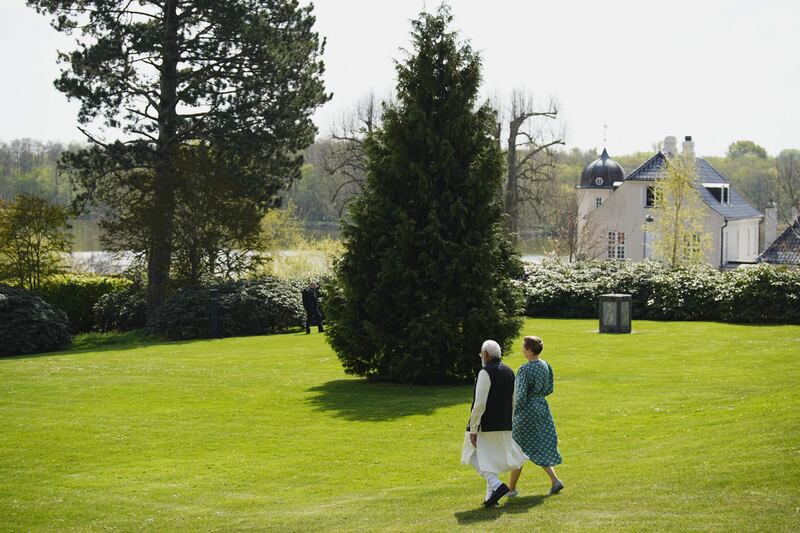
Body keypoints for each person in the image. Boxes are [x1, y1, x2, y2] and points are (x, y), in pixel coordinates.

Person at [461, 340, 528, 507]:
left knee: (471, 455)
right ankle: (491, 497)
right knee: (489, 459)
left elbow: (479, 404)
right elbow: (513, 400)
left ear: (486, 355)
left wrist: (474, 428)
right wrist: (509, 421)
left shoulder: (485, 372)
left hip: (486, 425)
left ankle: (497, 485)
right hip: (504, 423)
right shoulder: (509, 371)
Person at [508, 335, 564, 497]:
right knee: (539, 446)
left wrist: (514, 413)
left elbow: (520, 395)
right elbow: (549, 389)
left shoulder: (525, 370)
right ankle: (555, 480)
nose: (522, 350)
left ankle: (511, 489)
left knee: (517, 448)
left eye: (524, 348)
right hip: (542, 407)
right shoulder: (546, 365)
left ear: (529, 352)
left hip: (527, 411)